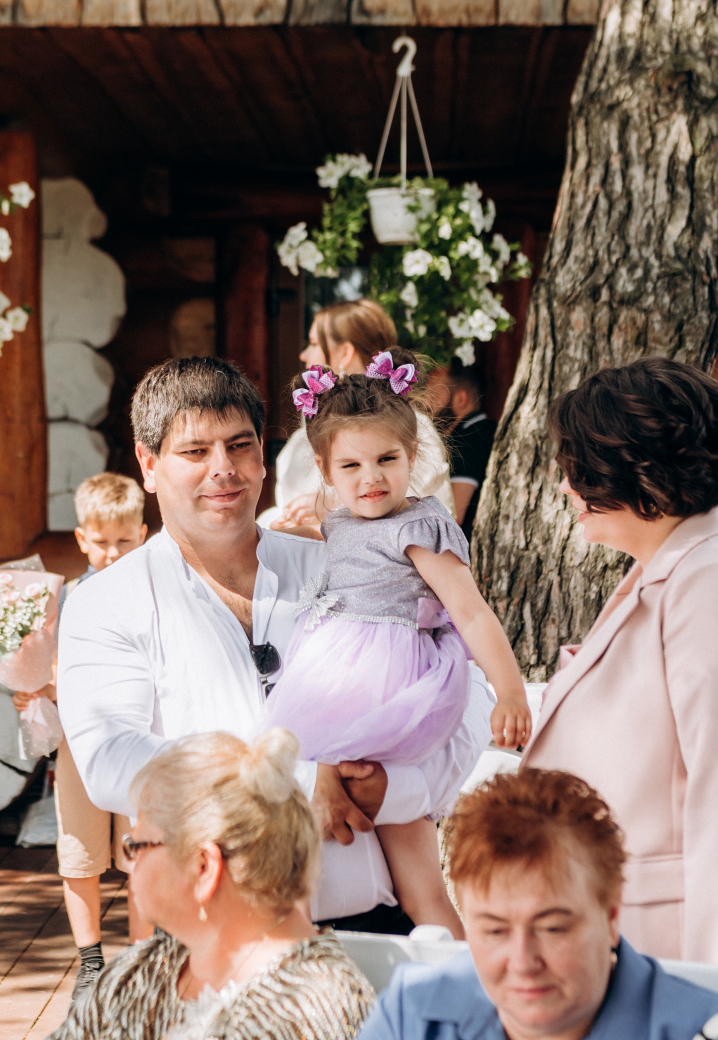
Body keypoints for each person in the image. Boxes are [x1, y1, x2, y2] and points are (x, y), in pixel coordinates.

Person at [57, 355, 493, 932]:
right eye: (195, 452)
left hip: (375, 916)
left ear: (263, 453)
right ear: (148, 463)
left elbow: (468, 687)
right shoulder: (106, 600)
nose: (224, 469)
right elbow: (113, 761)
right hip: (216, 927)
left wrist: (400, 789)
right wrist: (293, 780)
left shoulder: (344, 563)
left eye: (240, 445)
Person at [265, 349, 531, 937]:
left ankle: (465, 990)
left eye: (387, 459)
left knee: (421, 889)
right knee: (298, 860)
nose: (371, 478)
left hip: (386, 685)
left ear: (413, 456)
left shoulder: (420, 526)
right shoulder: (337, 522)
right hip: (329, 678)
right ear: (325, 470)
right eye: (352, 466)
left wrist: (510, 692)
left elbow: (471, 612)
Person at [522, 357, 718, 962]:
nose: (564, 486)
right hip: (610, 930)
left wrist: (706, 992)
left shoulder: (703, 579)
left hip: (666, 949)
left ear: (635, 463)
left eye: (577, 467)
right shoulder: (663, 569)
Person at [39, 728, 375, 1040]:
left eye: (137, 845)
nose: (131, 863)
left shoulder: (297, 1011)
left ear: (204, 867)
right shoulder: (143, 968)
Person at [350, 769, 718, 1040]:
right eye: (494, 931)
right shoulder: (414, 1018)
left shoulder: (700, 1033)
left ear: (610, 918)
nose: (522, 961)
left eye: (553, 929)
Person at [13, 472, 149, 1000]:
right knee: (79, 852)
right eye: (100, 542)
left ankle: (139, 958)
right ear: (81, 540)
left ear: (142, 534)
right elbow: (51, 667)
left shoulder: (152, 593)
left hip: (140, 738)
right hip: (79, 742)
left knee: (143, 850)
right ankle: (90, 961)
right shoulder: (65, 599)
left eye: (123, 541)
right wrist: (36, 688)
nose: (112, 553)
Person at [259, 298, 455, 532]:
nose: (303, 354)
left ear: (345, 352)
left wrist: (332, 509)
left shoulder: (410, 427)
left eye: (313, 343)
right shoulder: (317, 427)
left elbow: (432, 518)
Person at [425, 359, 497, 540]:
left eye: (435, 393)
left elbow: (454, 514)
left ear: (460, 398)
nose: (426, 402)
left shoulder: (471, 434)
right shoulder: (481, 430)